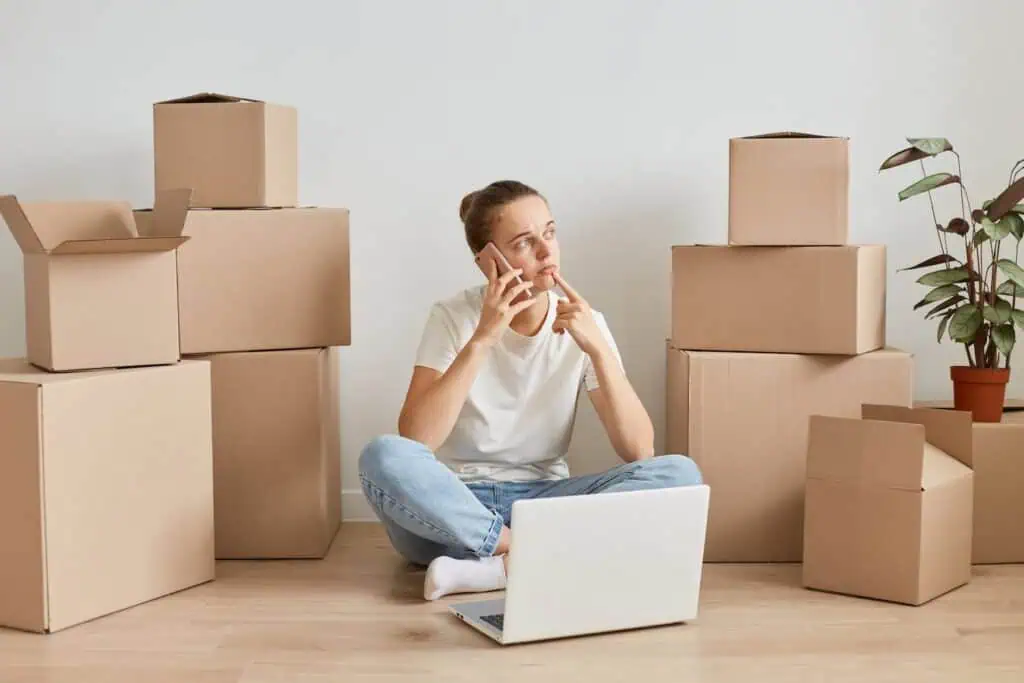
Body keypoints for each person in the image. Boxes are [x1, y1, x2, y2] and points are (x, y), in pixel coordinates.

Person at [358, 180, 703, 601]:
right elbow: (417, 439)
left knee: (679, 473)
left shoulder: (584, 322)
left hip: (544, 503)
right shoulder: (454, 317)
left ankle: (492, 569)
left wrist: (596, 348)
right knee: (382, 455)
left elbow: (639, 450)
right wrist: (484, 337)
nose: (546, 251)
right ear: (488, 261)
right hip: (452, 511)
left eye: (550, 233)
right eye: (524, 243)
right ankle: (525, 553)